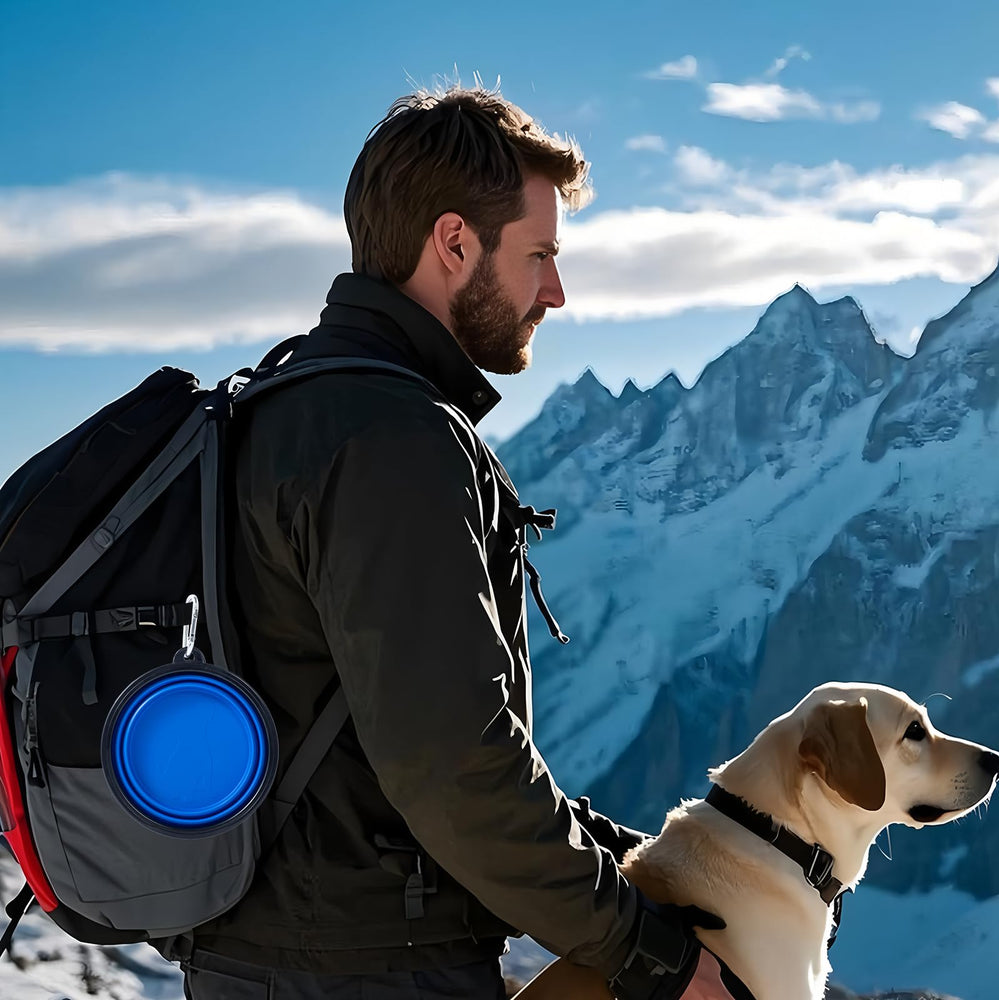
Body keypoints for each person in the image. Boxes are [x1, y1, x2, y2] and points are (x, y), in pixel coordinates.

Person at [182, 87, 735, 1000]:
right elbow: (457, 765)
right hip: (366, 972)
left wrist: (643, 867)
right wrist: (652, 954)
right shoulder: (393, 442)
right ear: (453, 244)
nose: (555, 291)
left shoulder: (282, 405)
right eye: (541, 255)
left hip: (277, 954)